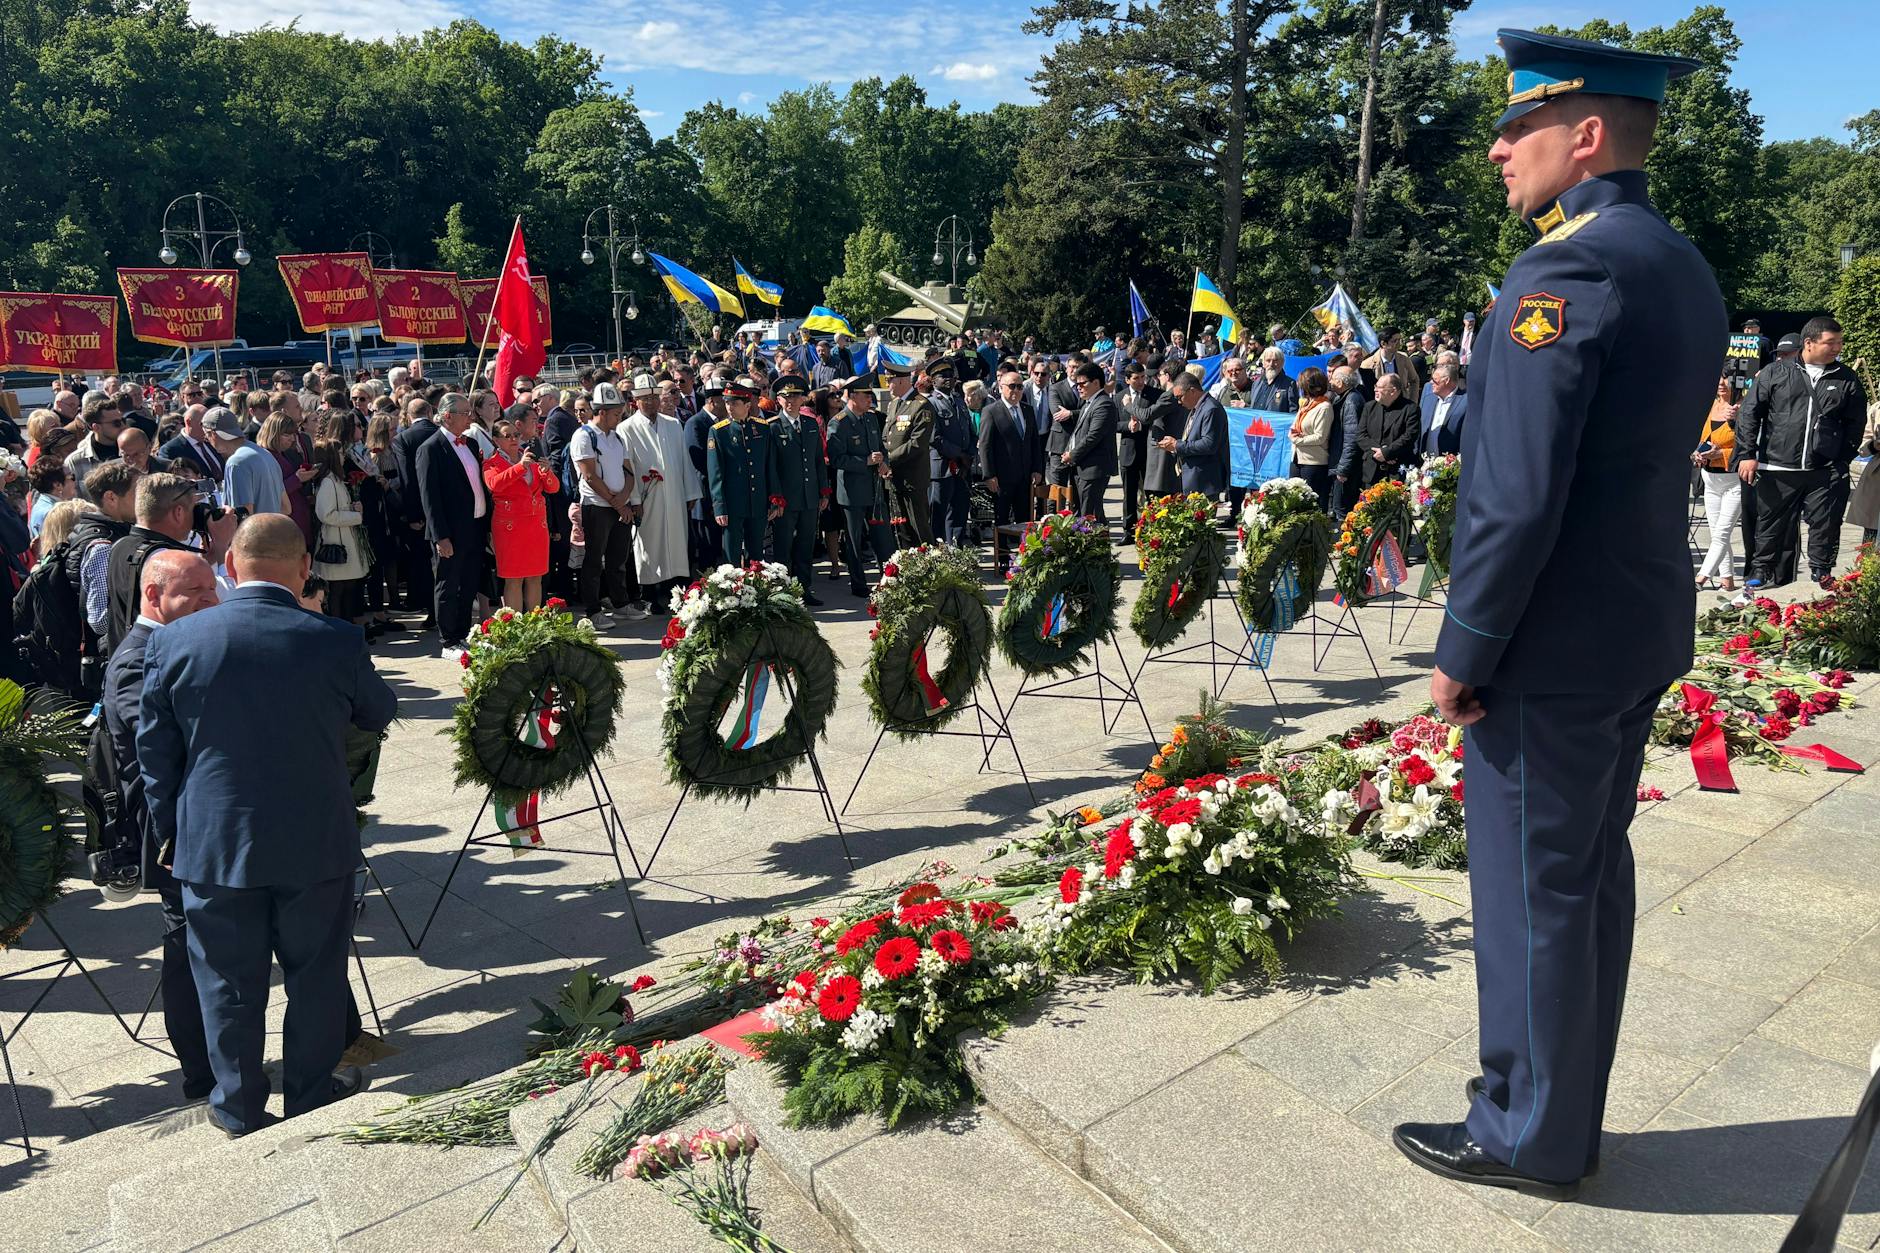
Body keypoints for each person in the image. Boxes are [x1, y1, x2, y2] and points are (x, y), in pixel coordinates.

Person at [1393, 29, 1725, 1203]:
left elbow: (1514, 490)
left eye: (1516, 126)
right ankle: (1559, 1113)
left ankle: (1522, 1130)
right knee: (1583, 881)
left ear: (1582, 136)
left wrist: (1463, 649)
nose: (1494, 148)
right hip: (1629, 626)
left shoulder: (1563, 271)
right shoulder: (1673, 260)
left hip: (1550, 643)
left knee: (1533, 890)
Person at [137, 515, 397, 1138]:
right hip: (314, 838)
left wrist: (175, 832)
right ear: (305, 568)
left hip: (214, 844)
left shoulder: (176, 641)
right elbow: (380, 709)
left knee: (226, 982)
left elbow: (154, 753)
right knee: (315, 975)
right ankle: (309, 1094)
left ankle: (237, 1108)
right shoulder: (334, 639)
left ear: (230, 566)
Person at [101, 549, 220, 1105]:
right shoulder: (136, 658)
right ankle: (202, 1076)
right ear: (153, 596)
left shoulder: (175, 643)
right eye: (194, 592)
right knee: (186, 951)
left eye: (212, 588)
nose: (210, 601)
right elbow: (162, 745)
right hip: (172, 829)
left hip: (197, 822)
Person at [1736, 316, 1868, 589]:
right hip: (1778, 467)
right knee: (1770, 523)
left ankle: (1822, 569)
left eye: (1840, 343)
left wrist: (1842, 459)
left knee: (1826, 524)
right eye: (1830, 343)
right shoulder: (1776, 372)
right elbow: (1750, 414)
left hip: (1824, 469)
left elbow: (1856, 423)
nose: (1837, 348)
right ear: (1809, 343)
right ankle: (1761, 570)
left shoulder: (1846, 378)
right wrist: (1747, 453)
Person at [416, 393, 491, 658]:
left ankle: (463, 633)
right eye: (465, 412)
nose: (470, 417)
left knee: (470, 582)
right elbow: (430, 497)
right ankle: (448, 639)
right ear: (448, 416)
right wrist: (440, 536)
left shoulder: (469, 444)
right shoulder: (430, 448)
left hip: (475, 525)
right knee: (448, 585)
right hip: (450, 531)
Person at [620, 375, 694, 608]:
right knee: (649, 544)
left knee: (676, 540)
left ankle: (677, 590)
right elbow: (627, 465)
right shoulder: (627, 428)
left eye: (654, 398)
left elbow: (683, 459)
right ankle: (650, 594)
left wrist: (690, 492)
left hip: (673, 492)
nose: (650, 403)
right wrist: (633, 499)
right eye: (645, 399)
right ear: (636, 401)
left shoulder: (672, 424)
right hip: (646, 495)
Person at [571, 382, 639, 626]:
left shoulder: (618, 437)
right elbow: (589, 476)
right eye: (616, 414)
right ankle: (593, 609)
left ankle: (621, 603)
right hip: (596, 506)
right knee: (593, 559)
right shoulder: (584, 436)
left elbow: (629, 472)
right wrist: (616, 503)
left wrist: (625, 499)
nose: (619, 418)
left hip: (618, 505)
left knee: (618, 558)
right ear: (601, 412)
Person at [827, 377, 896, 596]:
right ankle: (858, 583)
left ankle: (890, 577)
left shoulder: (870, 419)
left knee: (883, 536)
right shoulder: (839, 422)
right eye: (866, 396)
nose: (870, 400)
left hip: (874, 488)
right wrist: (865, 461)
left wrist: (883, 462)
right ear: (853, 396)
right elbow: (837, 459)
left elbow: (879, 447)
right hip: (852, 491)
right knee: (854, 540)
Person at [482, 419, 559, 611]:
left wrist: (547, 471)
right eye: (507, 436)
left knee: (535, 576)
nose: (513, 439)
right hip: (510, 527)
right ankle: (514, 624)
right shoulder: (491, 463)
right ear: (495, 440)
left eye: (516, 435)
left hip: (535, 525)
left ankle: (534, 624)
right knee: (513, 579)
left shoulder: (530, 458)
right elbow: (494, 485)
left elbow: (553, 488)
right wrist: (520, 467)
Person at [768, 378, 829, 603]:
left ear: (802, 398)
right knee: (783, 548)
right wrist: (776, 498)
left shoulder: (811, 424)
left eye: (795, 396)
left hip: (809, 496)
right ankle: (783, 592)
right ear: (779, 400)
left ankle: (804, 589)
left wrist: (824, 491)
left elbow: (818, 462)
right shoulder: (773, 426)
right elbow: (771, 467)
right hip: (786, 499)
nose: (790, 401)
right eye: (785, 397)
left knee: (805, 546)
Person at [707, 377, 775, 567]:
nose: (729, 407)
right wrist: (719, 506)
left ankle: (757, 590)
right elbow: (716, 472)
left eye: (735, 403)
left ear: (747, 404)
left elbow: (768, 466)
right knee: (732, 555)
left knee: (756, 555)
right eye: (727, 402)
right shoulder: (719, 431)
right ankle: (734, 593)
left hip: (758, 500)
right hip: (733, 502)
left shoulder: (762, 428)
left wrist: (773, 497)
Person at [309, 439, 370, 624]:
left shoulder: (335, 479)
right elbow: (326, 514)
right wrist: (355, 516)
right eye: (341, 454)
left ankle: (345, 625)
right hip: (336, 542)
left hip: (343, 539)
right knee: (338, 590)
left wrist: (353, 507)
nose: (344, 457)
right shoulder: (328, 482)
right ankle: (340, 627)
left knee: (346, 588)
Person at [978, 369, 1041, 541]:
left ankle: (1025, 561)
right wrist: (989, 475)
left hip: (1025, 477)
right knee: (1002, 522)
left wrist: (1037, 468)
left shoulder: (1027, 410)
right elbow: (985, 445)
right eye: (1012, 386)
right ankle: (1004, 563)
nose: (1016, 391)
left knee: (1025, 523)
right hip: (1002, 480)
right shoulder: (991, 411)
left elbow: (1034, 442)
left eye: (1020, 387)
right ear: (1001, 387)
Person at [1694, 377, 1743, 591]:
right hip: (1710, 477)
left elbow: (1751, 446)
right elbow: (1703, 438)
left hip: (1734, 479)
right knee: (1716, 532)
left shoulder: (1743, 408)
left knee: (1722, 532)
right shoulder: (1711, 405)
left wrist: (1720, 453)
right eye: (1719, 379)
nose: (1722, 384)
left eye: (1728, 380)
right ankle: (1727, 579)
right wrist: (1697, 452)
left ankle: (1700, 578)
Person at [882, 362, 935, 545]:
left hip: (912, 478)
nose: (888, 384)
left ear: (903, 381)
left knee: (918, 526)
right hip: (894, 478)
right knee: (901, 528)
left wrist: (889, 460)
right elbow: (886, 435)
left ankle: (929, 567)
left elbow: (916, 443)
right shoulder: (894, 404)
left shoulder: (921, 406)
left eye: (890, 380)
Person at [1061, 361, 1119, 525]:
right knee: (1090, 514)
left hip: (1094, 468)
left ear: (1096, 382)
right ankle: (1098, 547)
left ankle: (1095, 548)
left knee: (1090, 515)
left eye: (1082, 383)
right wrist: (1068, 451)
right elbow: (1077, 433)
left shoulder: (1104, 404)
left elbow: (1093, 436)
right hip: (1083, 467)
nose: (1079, 387)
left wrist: (1072, 454)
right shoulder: (1089, 403)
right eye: (1077, 383)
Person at [924, 361, 975, 548]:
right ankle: (937, 553)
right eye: (942, 375)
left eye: (950, 374)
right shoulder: (930, 403)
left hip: (962, 467)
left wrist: (969, 455)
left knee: (960, 512)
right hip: (941, 468)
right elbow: (934, 437)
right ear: (933, 380)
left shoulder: (959, 401)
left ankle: (956, 552)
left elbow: (969, 430)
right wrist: (959, 454)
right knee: (938, 514)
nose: (948, 379)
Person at [1162, 371, 1228, 498]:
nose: (1179, 402)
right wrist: (1175, 444)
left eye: (1179, 397)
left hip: (1204, 481)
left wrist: (1177, 445)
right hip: (1194, 480)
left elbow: (1208, 444)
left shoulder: (1211, 409)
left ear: (1192, 391)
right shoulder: (1198, 407)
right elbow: (1193, 438)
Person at [685, 379, 727, 572]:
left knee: (721, 543)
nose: (727, 405)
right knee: (707, 544)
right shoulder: (695, 423)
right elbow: (699, 460)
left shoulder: (724, 423)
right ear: (712, 401)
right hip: (706, 493)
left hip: (723, 492)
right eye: (723, 400)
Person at [1115, 361, 1153, 542]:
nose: (1140, 382)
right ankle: (1128, 531)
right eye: (1136, 378)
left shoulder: (1153, 395)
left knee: (1151, 493)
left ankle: (1152, 528)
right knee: (1129, 494)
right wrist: (1127, 426)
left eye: (1143, 377)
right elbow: (1112, 424)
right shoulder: (1119, 397)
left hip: (1149, 451)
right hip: (1128, 451)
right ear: (1127, 379)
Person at [1357, 374, 1417, 486]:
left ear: (1393, 391)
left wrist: (1388, 452)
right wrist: (1381, 452)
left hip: (1397, 471)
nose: (1375, 389)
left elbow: (1409, 436)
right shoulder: (1369, 407)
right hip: (1372, 470)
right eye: (1375, 386)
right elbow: (1361, 435)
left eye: (1379, 387)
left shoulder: (1410, 409)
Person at [1290, 368, 1334, 508]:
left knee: (1312, 504)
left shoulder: (1324, 407)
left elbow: (1320, 437)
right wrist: (1293, 434)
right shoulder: (1306, 404)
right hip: (1297, 458)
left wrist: (1298, 440)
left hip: (1314, 463)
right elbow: (1295, 426)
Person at [1328, 366, 1365, 517]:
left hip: (1345, 468)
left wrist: (1343, 469)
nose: (1330, 381)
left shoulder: (1351, 401)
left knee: (1342, 510)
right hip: (1340, 464)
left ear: (1341, 382)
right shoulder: (1342, 397)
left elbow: (1351, 438)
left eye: (1333, 378)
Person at [161, 404, 224, 485]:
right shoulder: (171, 449)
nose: (208, 428)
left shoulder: (212, 441)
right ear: (188, 422)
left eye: (210, 423)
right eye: (203, 424)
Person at [1418, 362, 1469, 457]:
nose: (1431, 382)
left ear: (1446, 380)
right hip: (1425, 463)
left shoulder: (1466, 401)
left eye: (1434, 379)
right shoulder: (1428, 399)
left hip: (1451, 464)